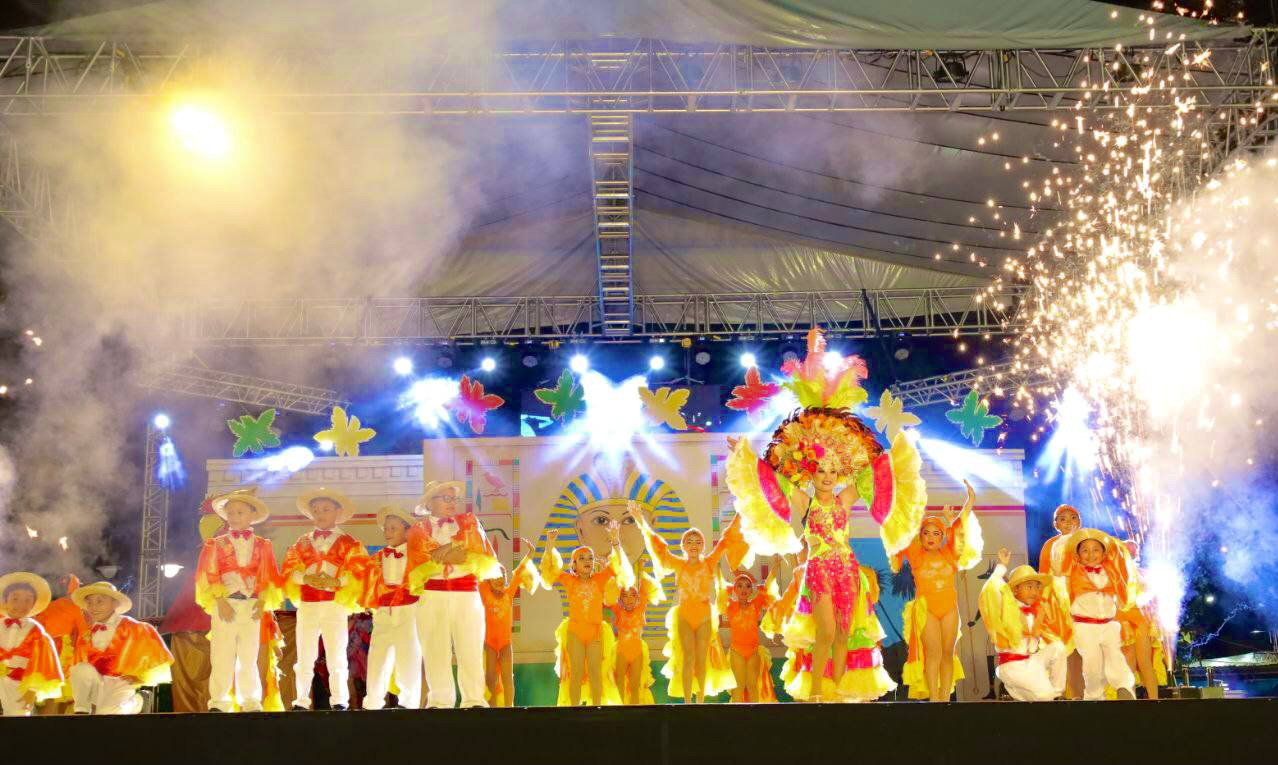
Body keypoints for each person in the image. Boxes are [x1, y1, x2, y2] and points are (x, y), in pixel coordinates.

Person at [725, 328, 928, 701]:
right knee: (827, 632)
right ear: (812, 472)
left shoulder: (845, 498)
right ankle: (817, 690)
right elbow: (771, 481)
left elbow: (873, 473)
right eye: (822, 471)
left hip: (847, 569)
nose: (828, 476)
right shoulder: (805, 501)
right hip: (818, 570)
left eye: (834, 471)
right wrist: (745, 455)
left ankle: (838, 691)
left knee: (845, 633)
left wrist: (885, 451)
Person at [407, 480, 501, 709]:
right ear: (430, 503)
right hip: (432, 595)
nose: (452, 503)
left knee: (470, 649)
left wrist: (442, 552)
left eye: (454, 499)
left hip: (466, 594)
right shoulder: (418, 530)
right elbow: (419, 562)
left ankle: (474, 700)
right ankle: (440, 701)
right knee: (435, 651)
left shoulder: (469, 522)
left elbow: (478, 552)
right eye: (446, 498)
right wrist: (452, 553)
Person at [634, 511, 745, 703]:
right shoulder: (678, 563)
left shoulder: (709, 562)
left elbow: (726, 538)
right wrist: (640, 520)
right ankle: (687, 702)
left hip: (704, 616)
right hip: (684, 615)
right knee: (688, 658)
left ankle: (699, 701)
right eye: (689, 542)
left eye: (698, 542)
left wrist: (741, 513)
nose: (694, 545)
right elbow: (657, 545)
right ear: (683, 546)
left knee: (702, 659)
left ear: (703, 546)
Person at [194, 488, 282, 713]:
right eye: (230, 513)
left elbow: (268, 574)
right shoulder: (216, 544)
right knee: (222, 654)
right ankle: (219, 701)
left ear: (252, 515)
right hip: (226, 603)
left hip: (251, 604)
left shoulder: (263, 545)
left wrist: (261, 602)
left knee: (249, 655)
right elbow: (209, 572)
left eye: (240, 512)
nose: (234, 517)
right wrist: (220, 601)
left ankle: (250, 700)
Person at [893, 481, 982, 702]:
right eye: (926, 533)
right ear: (921, 537)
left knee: (947, 654)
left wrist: (970, 500)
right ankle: (934, 699)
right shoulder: (916, 556)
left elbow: (960, 526)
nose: (931, 537)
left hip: (949, 609)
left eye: (936, 533)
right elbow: (907, 522)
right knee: (933, 654)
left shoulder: (950, 555)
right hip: (927, 610)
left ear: (942, 536)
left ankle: (945, 699)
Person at [281, 487, 368, 711]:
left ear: (338, 512)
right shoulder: (301, 542)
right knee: (305, 654)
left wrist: (336, 581)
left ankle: (339, 700)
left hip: (334, 605)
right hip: (308, 604)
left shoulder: (349, 543)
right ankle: (301, 700)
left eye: (326, 509)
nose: (320, 514)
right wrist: (306, 578)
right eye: (316, 510)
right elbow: (289, 570)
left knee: (336, 654)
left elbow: (359, 572)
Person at [538, 526, 629, 706]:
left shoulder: (600, 578)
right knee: (576, 673)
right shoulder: (569, 580)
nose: (587, 561)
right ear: (574, 565)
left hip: (595, 632)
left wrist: (615, 540)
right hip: (575, 633)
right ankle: (574, 710)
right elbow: (549, 570)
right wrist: (549, 544)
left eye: (590, 558)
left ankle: (596, 708)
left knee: (596, 673)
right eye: (582, 558)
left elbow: (618, 564)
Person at [980, 548, 1073, 701]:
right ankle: (1015, 692)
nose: (1034, 591)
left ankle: (1057, 695)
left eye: (1037, 587)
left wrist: (1058, 575)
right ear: (1016, 589)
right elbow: (990, 591)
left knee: (1058, 648)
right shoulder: (1005, 608)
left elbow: (1058, 598)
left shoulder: (1038, 610)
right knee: (1045, 696)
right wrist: (1002, 566)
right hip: (1011, 666)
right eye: (1029, 586)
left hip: (1031, 661)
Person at [69, 581, 173, 715]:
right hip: (97, 683)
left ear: (115, 604)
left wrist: (140, 677)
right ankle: (81, 711)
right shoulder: (86, 634)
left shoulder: (132, 627)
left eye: (100, 601)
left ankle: (138, 702)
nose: (93, 607)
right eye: (89, 602)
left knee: (108, 713)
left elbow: (151, 655)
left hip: (120, 682)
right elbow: (79, 667)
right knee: (80, 668)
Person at [358, 505, 425, 710]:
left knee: (408, 656)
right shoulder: (377, 557)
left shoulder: (418, 555)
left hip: (408, 610)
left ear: (407, 531)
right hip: (383, 611)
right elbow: (363, 579)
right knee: (377, 656)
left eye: (393, 528)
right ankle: (372, 703)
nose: (388, 532)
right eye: (386, 529)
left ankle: (408, 704)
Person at [1063, 528, 1135, 701]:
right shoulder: (1072, 574)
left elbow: (1123, 586)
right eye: (1085, 550)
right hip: (1085, 626)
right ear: (1077, 555)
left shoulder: (1112, 572)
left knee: (1115, 657)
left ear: (1104, 554)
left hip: (1109, 624)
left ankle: (1124, 687)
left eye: (1096, 550)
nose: (1091, 554)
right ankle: (1093, 696)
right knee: (1092, 664)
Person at [479, 545, 539, 707]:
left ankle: (509, 707)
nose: (499, 578)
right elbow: (478, 572)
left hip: (505, 643)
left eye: (503, 575)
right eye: (495, 576)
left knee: (507, 678)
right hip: (490, 643)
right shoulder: (484, 592)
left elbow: (519, 572)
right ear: (488, 580)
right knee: (490, 678)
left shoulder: (509, 593)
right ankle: (492, 708)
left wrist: (530, 554)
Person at [0, 572, 63, 716]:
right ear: (5, 601)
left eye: (27, 600)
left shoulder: (36, 631)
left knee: (18, 714)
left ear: (33, 604)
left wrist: (31, 691)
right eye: (15, 599)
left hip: (19, 681)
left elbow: (41, 662)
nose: (21, 604)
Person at [1038, 503, 1084, 699]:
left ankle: (1086, 696)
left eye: (1073, 518)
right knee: (1064, 651)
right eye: (1062, 519)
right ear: (1056, 524)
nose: (1068, 522)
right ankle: (1063, 695)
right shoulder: (1050, 545)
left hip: (1084, 600)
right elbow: (1043, 577)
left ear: (1079, 521)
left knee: (1085, 650)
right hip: (1059, 603)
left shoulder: (1087, 540)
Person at [720, 568, 777, 704]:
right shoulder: (730, 606)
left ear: (752, 590)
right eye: (739, 586)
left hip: (753, 651)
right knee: (738, 688)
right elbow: (721, 589)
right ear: (734, 589)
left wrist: (775, 566)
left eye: (747, 586)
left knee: (753, 687)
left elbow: (767, 586)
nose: (744, 589)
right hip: (736, 651)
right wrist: (717, 570)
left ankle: (753, 715)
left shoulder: (755, 604)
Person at [612, 559, 664, 705]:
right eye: (625, 596)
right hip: (621, 651)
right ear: (620, 599)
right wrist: (613, 568)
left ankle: (633, 711)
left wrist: (641, 569)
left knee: (635, 686)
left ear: (637, 598)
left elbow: (643, 590)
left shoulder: (640, 609)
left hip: (637, 652)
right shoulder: (618, 610)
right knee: (619, 683)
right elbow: (612, 590)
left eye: (632, 595)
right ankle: (619, 711)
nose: (629, 599)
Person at [1118, 539, 1165, 699]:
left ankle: (1154, 700)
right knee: (1128, 665)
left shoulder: (1144, 574)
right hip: (1123, 621)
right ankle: (1128, 703)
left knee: (1145, 662)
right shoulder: (1114, 573)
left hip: (1140, 621)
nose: (1130, 553)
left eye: (1133, 550)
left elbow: (1153, 598)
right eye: (1126, 550)